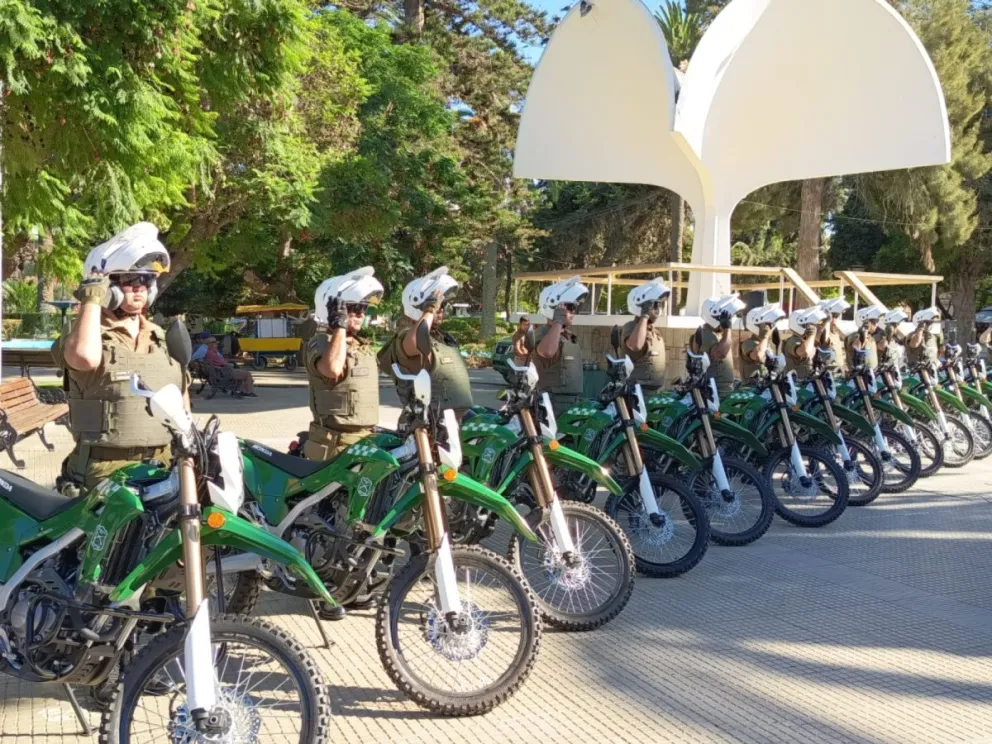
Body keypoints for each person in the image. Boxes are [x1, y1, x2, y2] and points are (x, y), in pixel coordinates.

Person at [53, 222, 188, 490]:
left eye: (147, 279)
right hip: (105, 471)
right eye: (129, 279)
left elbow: (182, 399)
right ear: (108, 286)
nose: (140, 287)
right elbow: (84, 358)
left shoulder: (161, 337)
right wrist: (92, 300)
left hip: (163, 465)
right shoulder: (84, 335)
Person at [304, 267, 384, 461]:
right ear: (332, 309)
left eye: (363, 308)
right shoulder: (321, 341)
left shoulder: (359, 345)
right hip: (336, 446)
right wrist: (339, 327)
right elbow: (332, 369)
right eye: (354, 308)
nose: (361, 314)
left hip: (364, 440)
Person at [379, 267, 474, 419]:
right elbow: (416, 340)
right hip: (428, 426)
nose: (441, 310)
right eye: (438, 305)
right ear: (418, 307)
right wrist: (429, 310)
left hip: (454, 422)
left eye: (443, 305)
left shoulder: (441, 338)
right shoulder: (406, 337)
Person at [533, 276, 589, 415]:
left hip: (572, 402)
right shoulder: (543, 333)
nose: (573, 312)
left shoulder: (568, 336)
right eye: (569, 307)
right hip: (552, 404)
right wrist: (557, 321)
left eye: (575, 307)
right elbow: (547, 352)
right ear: (554, 308)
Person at [690, 294, 746, 397]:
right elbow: (720, 353)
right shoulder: (706, 335)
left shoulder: (717, 334)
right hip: (715, 392)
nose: (729, 320)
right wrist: (727, 329)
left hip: (724, 390)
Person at [621, 277, 670, 391]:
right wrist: (644, 316)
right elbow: (635, 346)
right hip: (638, 393)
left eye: (659, 305)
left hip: (654, 393)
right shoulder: (631, 327)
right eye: (655, 306)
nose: (658, 310)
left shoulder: (654, 331)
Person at [740, 303, 786, 381]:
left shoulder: (767, 344)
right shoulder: (748, 343)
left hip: (765, 387)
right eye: (769, 325)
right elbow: (758, 356)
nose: (771, 328)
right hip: (752, 388)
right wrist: (765, 336)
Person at [783, 307, 828, 379]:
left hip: (807, 383)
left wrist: (822, 326)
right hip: (796, 384)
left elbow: (815, 344)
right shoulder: (792, 340)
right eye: (810, 325)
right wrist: (811, 333)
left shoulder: (805, 340)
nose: (814, 327)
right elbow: (805, 351)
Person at [818, 297, 851, 372]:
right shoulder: (820, 332)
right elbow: (825, 340)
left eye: (837, 315)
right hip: (827, 375)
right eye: (834, 315)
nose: (835, 319)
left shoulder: (835, 332)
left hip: (838, 374)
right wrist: (826, 321)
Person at [848, 304, 885, 370]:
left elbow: (882, 346)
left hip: (871, 375)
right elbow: (857, 347)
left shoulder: (871, 337)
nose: (876, 324)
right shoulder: (855, 336)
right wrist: (864, 331)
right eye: (875, 321)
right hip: (859, 377)